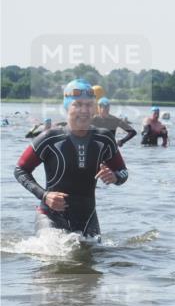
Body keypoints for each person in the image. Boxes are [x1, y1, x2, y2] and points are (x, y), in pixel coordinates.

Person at [13, 79, 128, 238]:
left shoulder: (104, 139)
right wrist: (44, 195)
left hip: (88, 219)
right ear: (67, 107)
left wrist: (115, 177)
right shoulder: (49, 138)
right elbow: (20, 170)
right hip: (50, 217)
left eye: (88, 105)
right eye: (78, 104)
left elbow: (123, 173)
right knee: (55, 255)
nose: (84, 110)